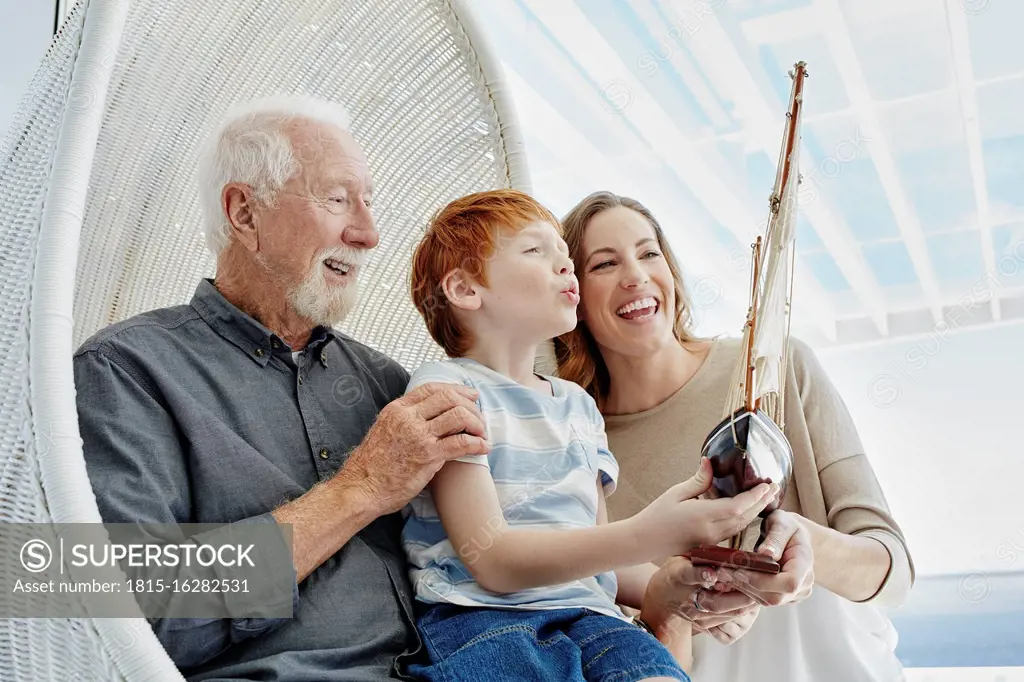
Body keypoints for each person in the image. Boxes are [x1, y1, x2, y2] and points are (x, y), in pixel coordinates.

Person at [70, 96, 767, 681]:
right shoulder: (128, 372)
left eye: (370, 204)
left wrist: (677, 589)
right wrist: (358, 489)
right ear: (244, 213)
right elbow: (115, 613)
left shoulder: (387, 384)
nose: (370, 234)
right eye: (339, 200)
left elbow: (535, 552)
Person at [399, 189, 778, 681]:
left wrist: (689, 580)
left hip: (593, 618)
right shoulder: (448, 390)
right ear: (467, 290)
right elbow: (491, 561)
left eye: (565, 252)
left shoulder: (577, 406)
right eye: (537, 250)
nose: (565, 265)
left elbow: (601, 561)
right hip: (484, 619)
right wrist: (647, 534)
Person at [554, 191, 916, 682]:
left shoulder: (775, 367)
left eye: (648, 253)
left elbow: (890, 572)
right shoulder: (578, 446)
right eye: (604, 264)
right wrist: (677, 607)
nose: (635, 275)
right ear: (572, 296)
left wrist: (801, 545)